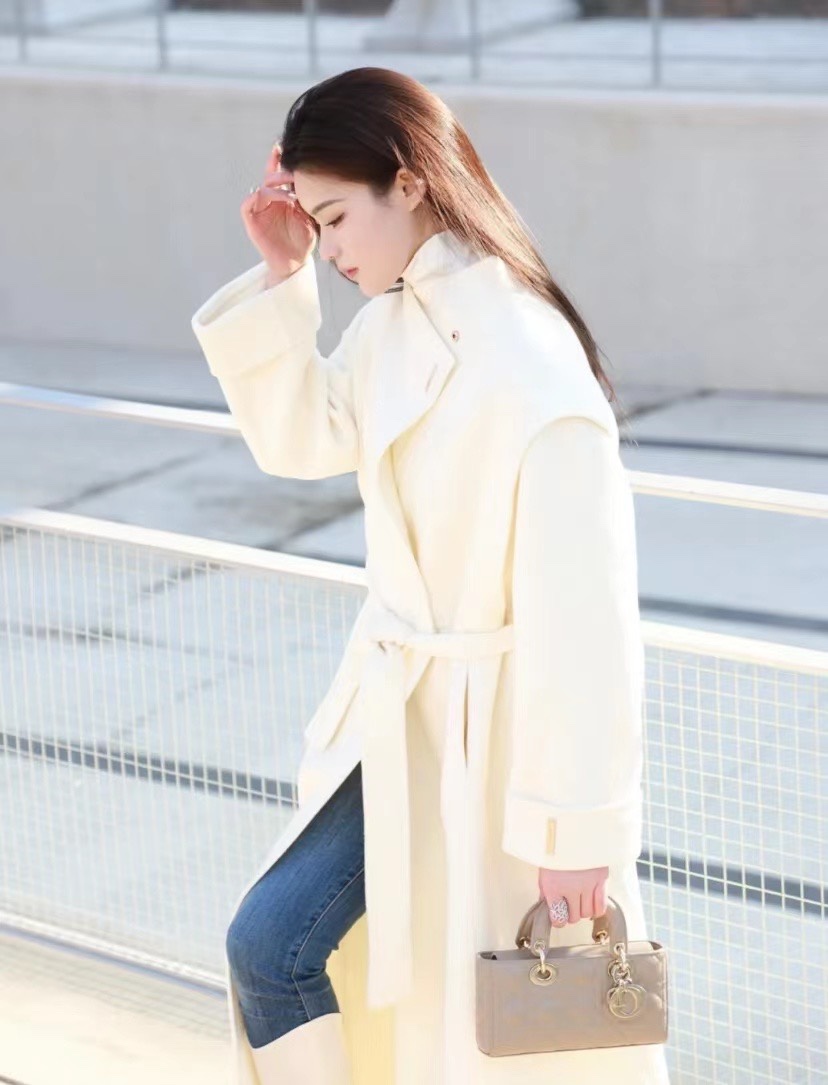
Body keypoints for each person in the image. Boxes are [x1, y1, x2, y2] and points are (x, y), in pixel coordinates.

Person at [191, 66, 670, 1085]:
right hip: (401, 724)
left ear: (408, 183)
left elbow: (587, 623)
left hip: (495, 751)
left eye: (334, 219)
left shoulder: (532, 362)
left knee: (478, 1035)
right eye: (315, 223)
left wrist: (573, 827)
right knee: (272, 944)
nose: (331, 247)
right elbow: (305, 436)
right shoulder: (395, 320)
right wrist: (284, 275)